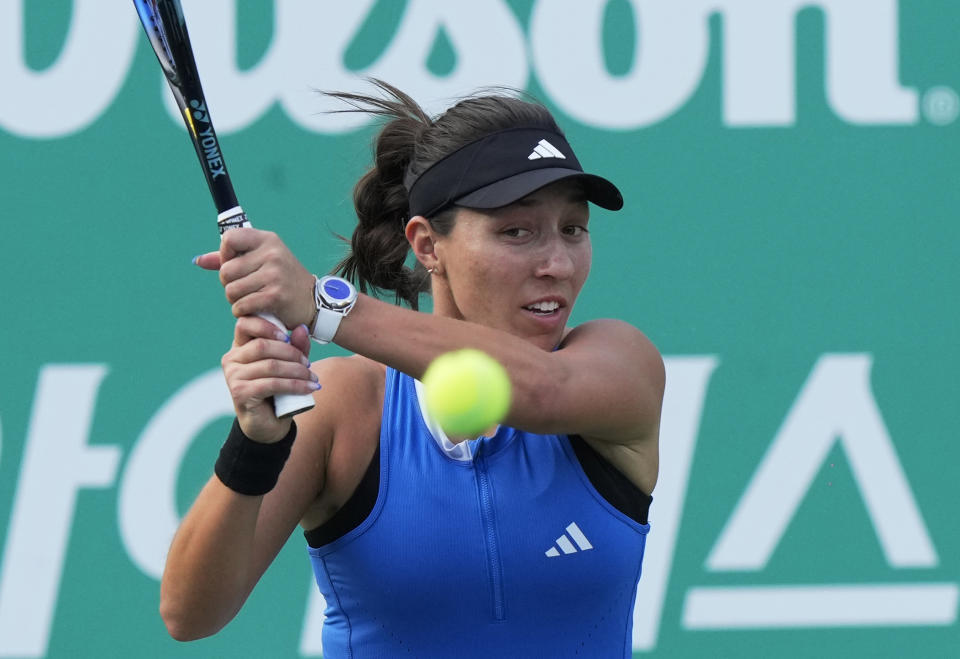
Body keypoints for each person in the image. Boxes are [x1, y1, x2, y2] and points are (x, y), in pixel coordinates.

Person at [162, 80, 665, 657]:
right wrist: (255, 442)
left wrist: (322, 304)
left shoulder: (619, 366)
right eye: (517, 231)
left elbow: (544, 390)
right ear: (427, 245)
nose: (557, 263)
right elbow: (189, 613)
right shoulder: (347, 408)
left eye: (573, 229)